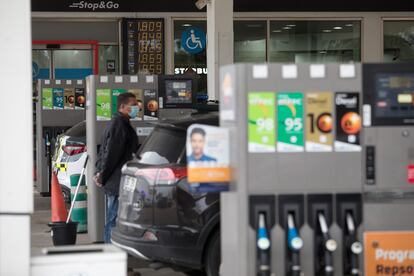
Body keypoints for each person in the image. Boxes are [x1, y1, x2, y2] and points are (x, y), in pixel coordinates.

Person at [93, 92, 140, 243]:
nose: (137, 107)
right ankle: (110, 257)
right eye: (133, 105)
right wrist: (102, 176)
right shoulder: (119, 126)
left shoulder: (120, 124)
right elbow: (111, 155)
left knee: (116, 220)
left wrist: (100, 172)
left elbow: (104, 152)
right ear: (122, 107)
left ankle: (114, 256)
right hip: (116, 182)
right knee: (114, 221)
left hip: (118, 181)